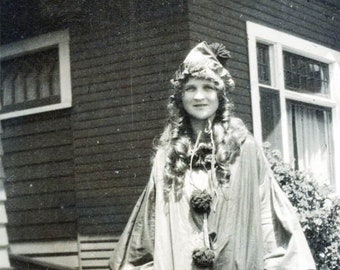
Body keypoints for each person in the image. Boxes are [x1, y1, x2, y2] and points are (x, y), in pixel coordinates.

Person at [109, 42, 316, 270]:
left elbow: (267, 218)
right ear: (180, 96)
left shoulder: (244, 149)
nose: (199, 96)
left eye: (208, 87)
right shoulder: (166, 156)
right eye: (191, 88)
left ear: (220, 96)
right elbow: (147, 229)